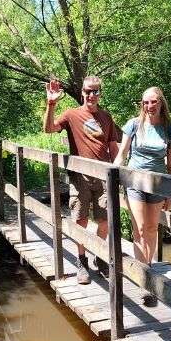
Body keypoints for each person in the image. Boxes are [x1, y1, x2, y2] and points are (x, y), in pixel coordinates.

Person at [43, 76, 119, 284]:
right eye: (87, 91)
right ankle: (82, 260)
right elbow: (49, 129)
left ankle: (99, 255)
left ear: (100, 93)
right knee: (80, 220)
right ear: (82, 92)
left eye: (95, 91)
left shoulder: (106, 117)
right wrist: (51, 104)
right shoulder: (71, 114)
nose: (91, 95)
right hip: (80, 178)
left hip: (103, 178)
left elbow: (114, 148)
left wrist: (118, 174)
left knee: (105, 220)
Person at [113, 86, 171, 306]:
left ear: (161, 103)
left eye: (153, 102)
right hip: (134, 181)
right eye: (145, 102)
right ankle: (144, 278)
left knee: (151, 228)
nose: (149, 106)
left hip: (159, 184)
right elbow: (122, 154)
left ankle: (148, 268)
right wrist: (111, 176)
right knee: (139, 228)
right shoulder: (133, 124)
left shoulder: (169, 129)